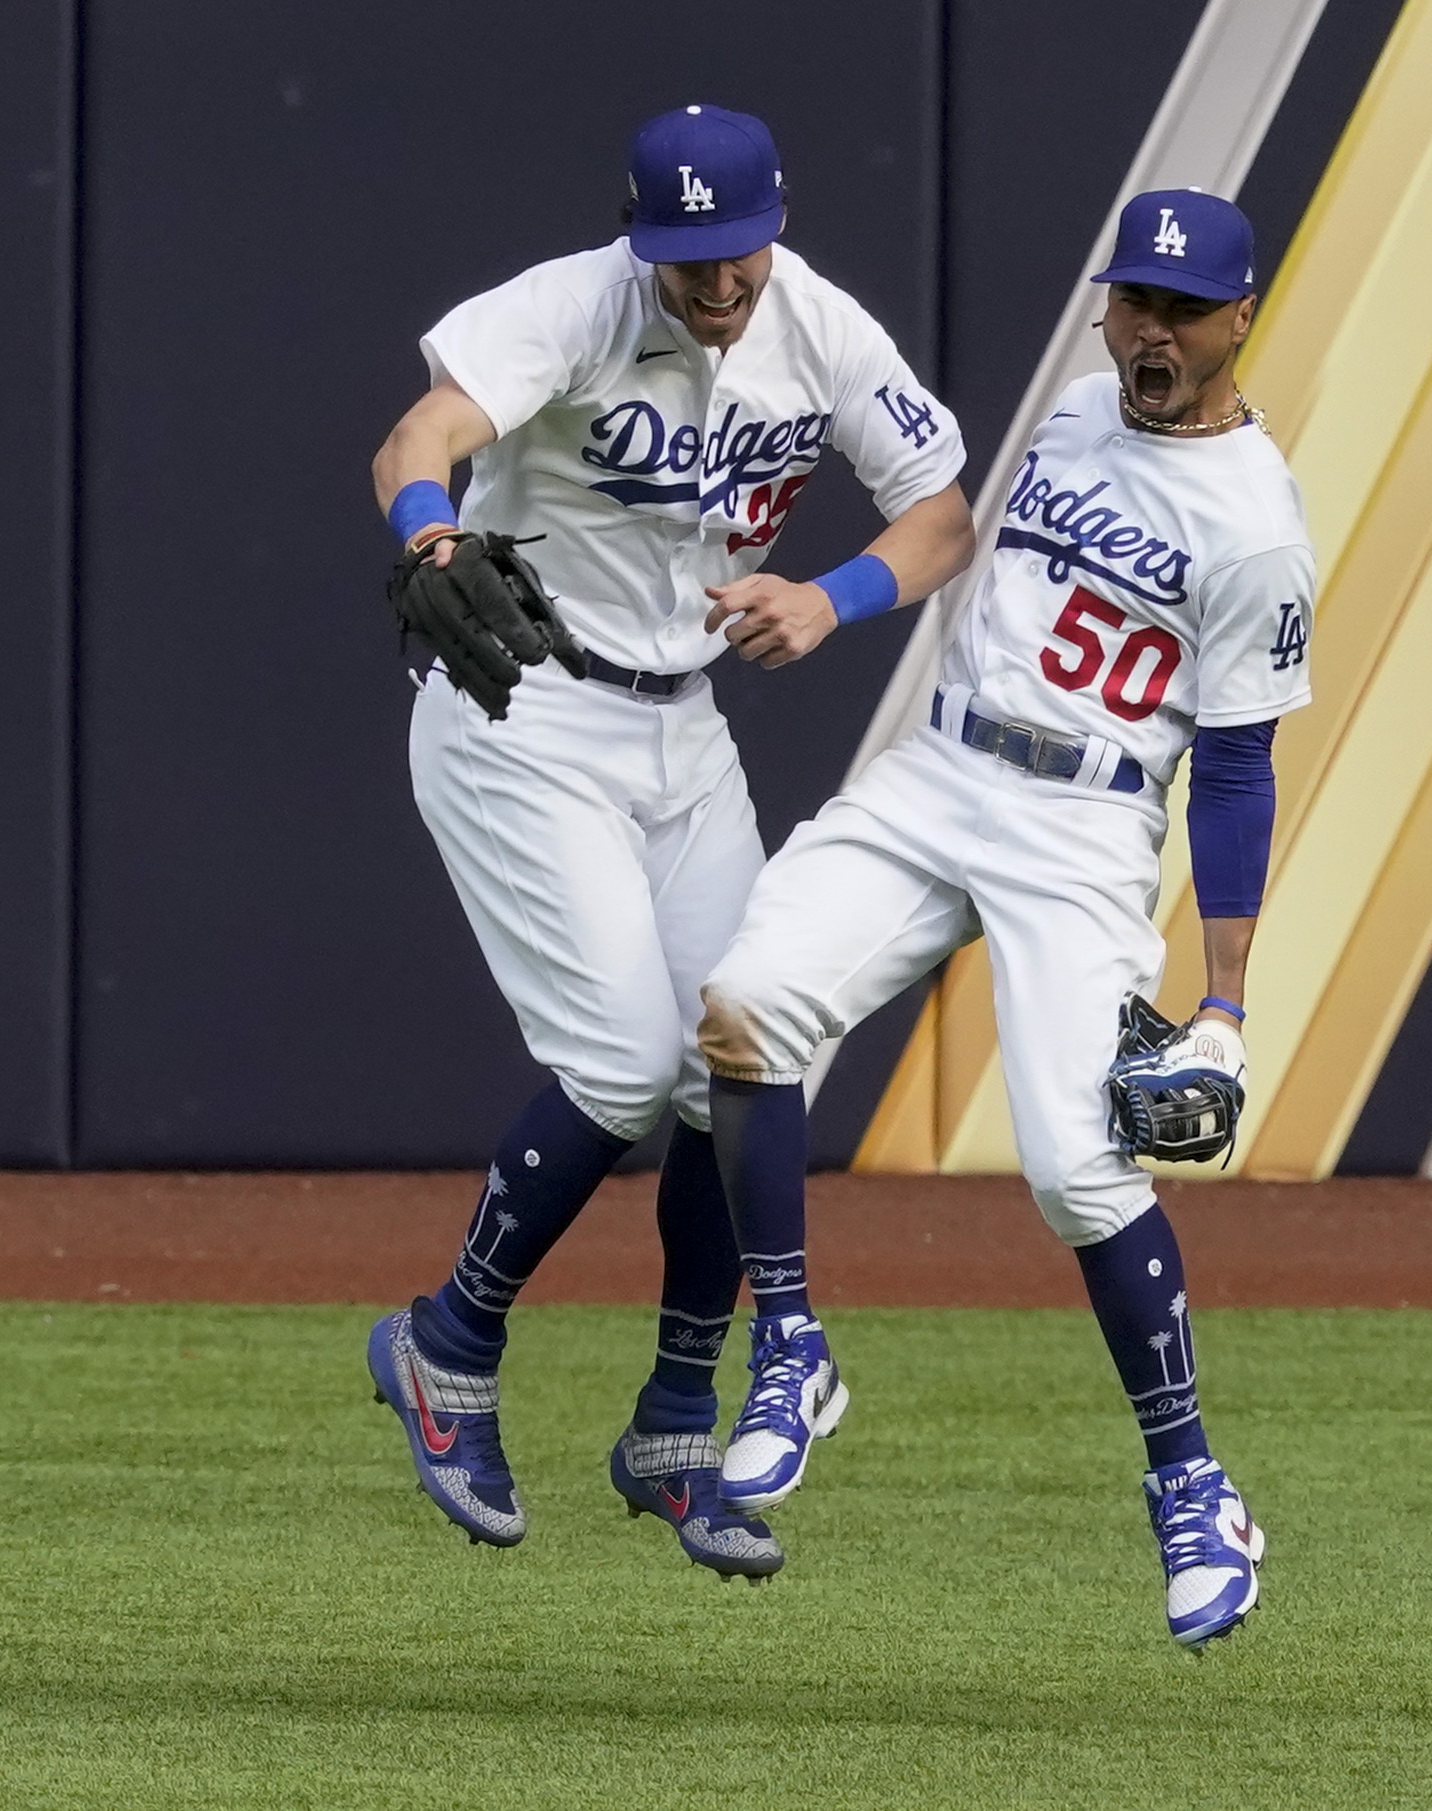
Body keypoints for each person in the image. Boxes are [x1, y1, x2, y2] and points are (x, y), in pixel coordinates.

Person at [361, 104, 975, 1581]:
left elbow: (942, 515)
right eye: (685, 255)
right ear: (644, 238)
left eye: (735, 250)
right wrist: (436, 538)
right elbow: (417, 438)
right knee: (627, 1066)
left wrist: (833, 599)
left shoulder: (818, 326)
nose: (714, 282)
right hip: (525, 701)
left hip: (680, 725)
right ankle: (447, 1342)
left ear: (777, 221)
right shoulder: (576, 304)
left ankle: (676, 1419)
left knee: (743, 1051)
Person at [694, 190, 1313, 1645]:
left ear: (1240, 319)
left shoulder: (1257, 526)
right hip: (943, 769)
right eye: (1134, 302)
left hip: (1086, 822)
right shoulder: (1083, 410)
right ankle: (789, 1344)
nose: (1151, 333)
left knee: (1076, 1175)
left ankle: (1193, 1487)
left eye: (1182, 311)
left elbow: (1234, 769)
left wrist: (1223, 1002)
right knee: (743, 1004)